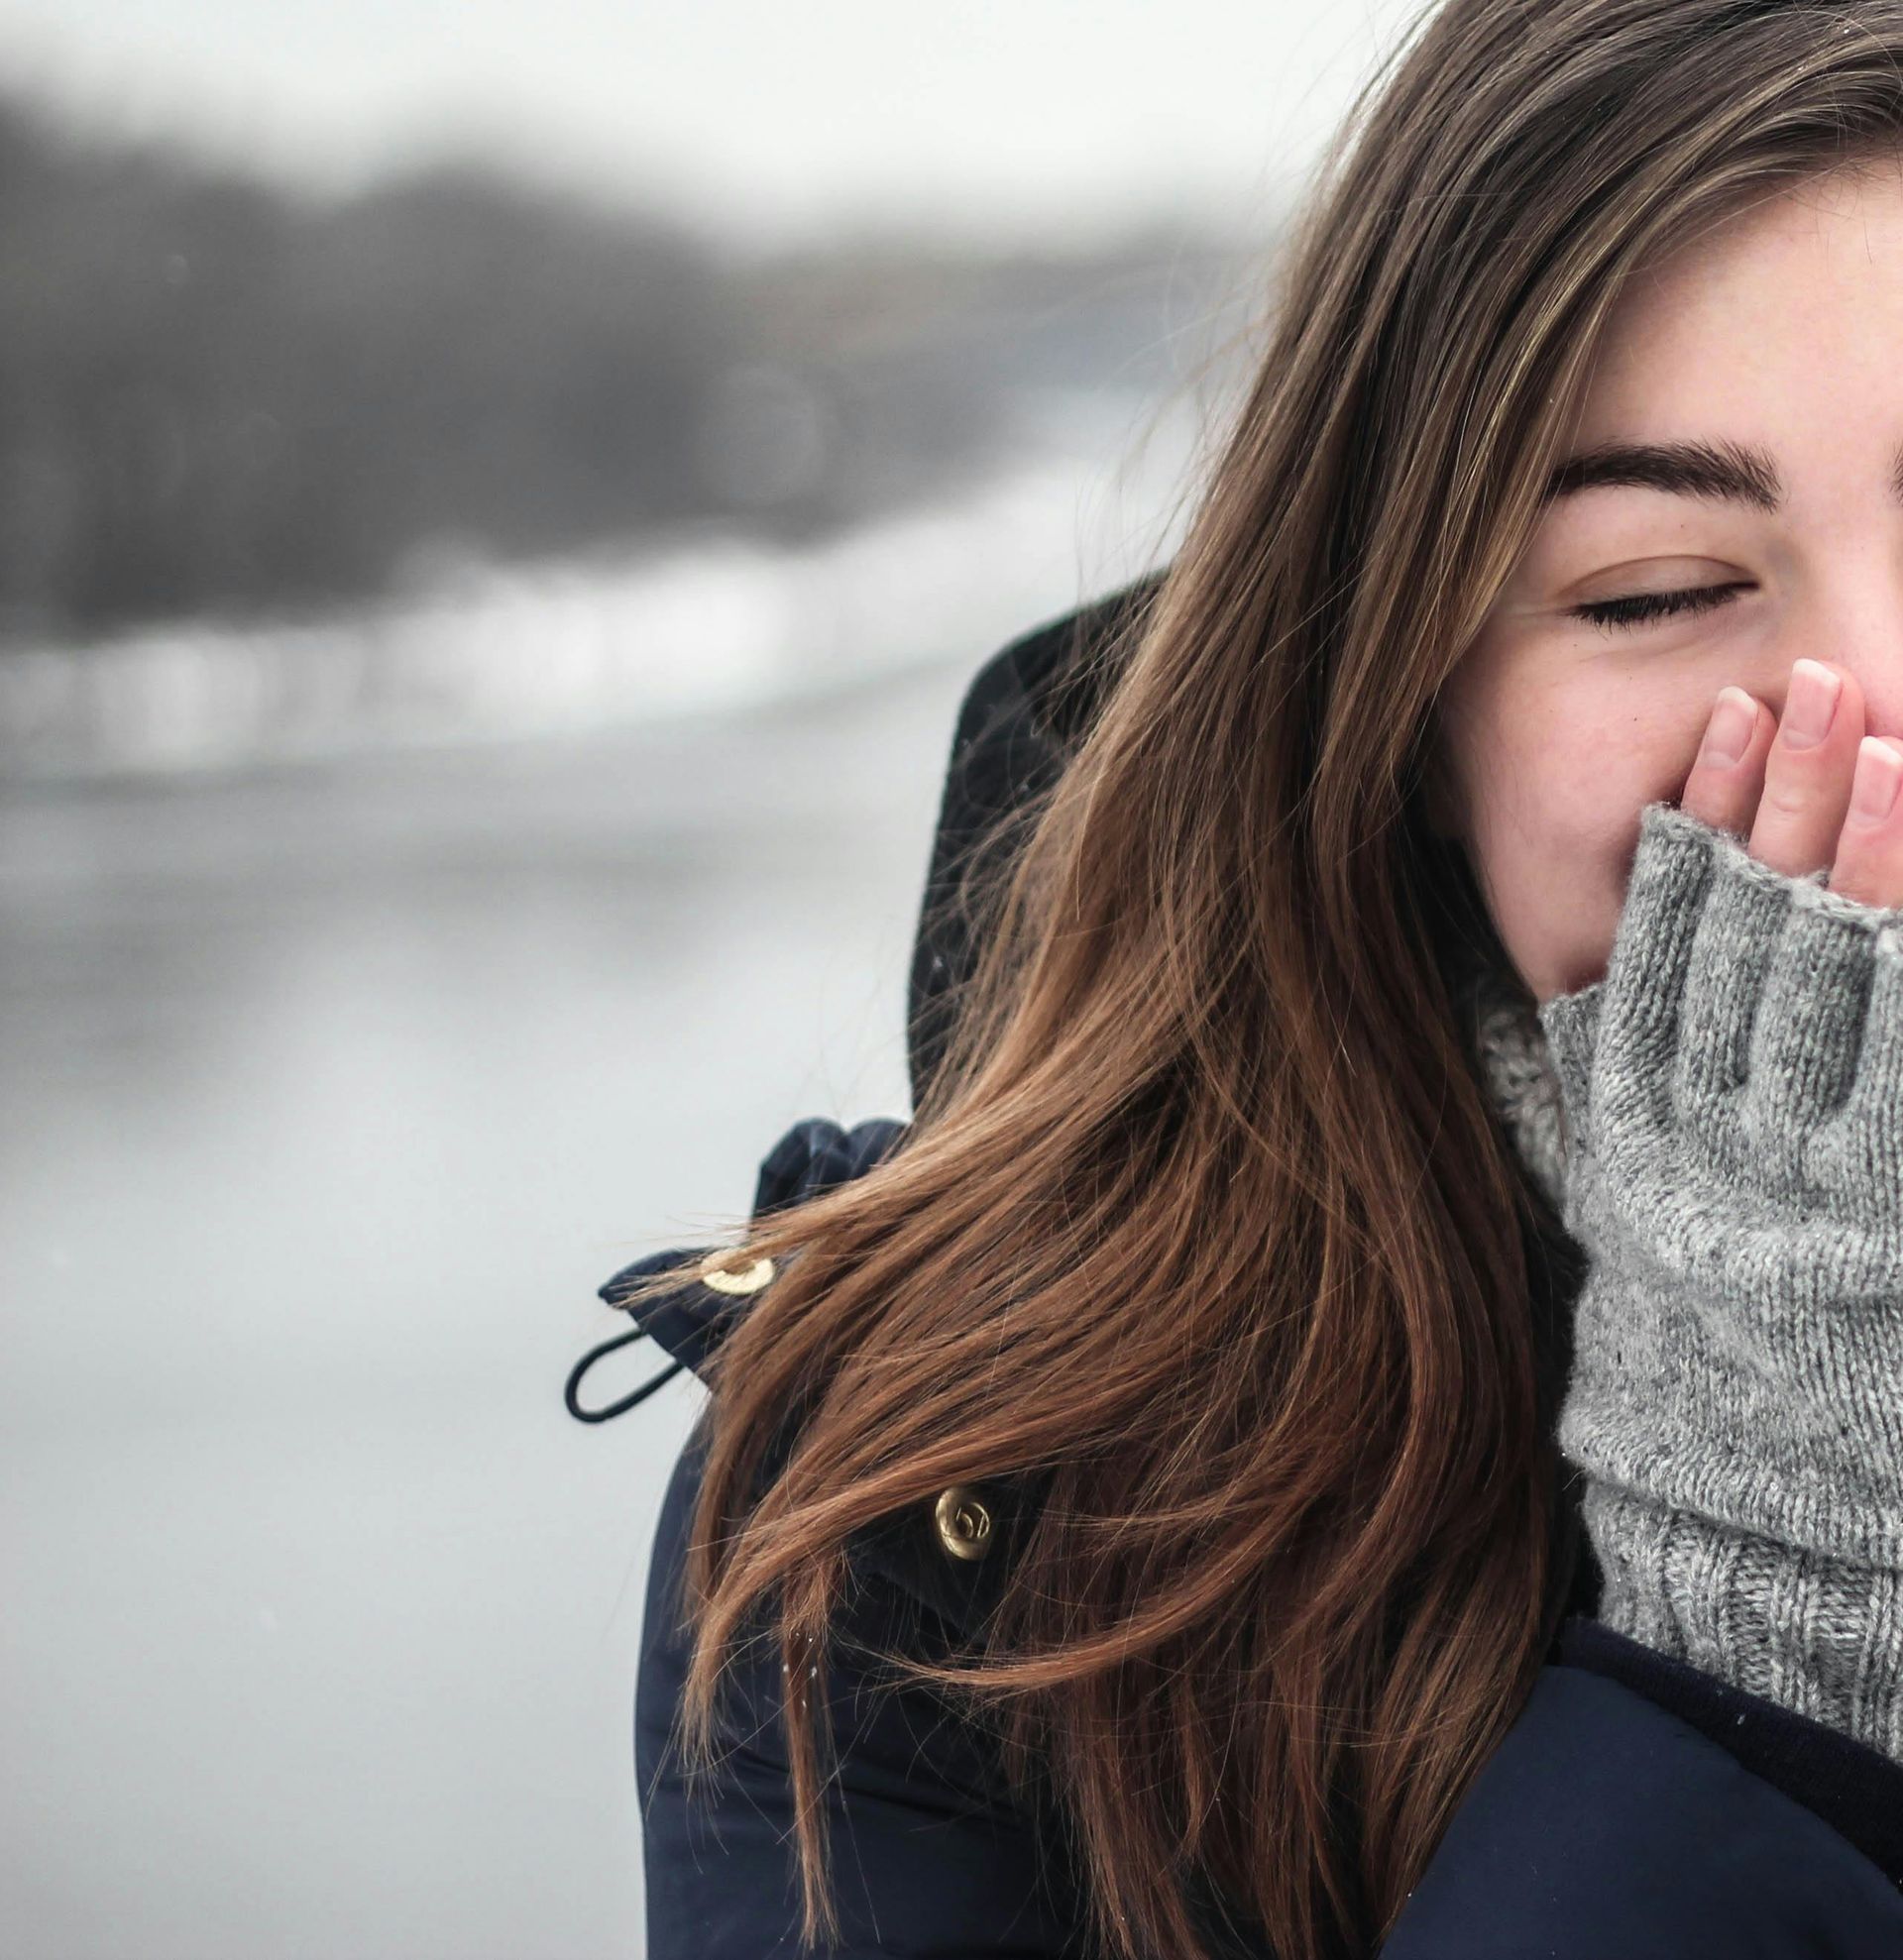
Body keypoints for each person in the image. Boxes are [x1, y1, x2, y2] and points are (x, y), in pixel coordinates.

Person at [568, 2, 1903, 1952]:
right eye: (1653, 590)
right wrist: (1751, 1624)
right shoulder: (942, 1526)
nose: (1869, 731)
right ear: (1408, 713)